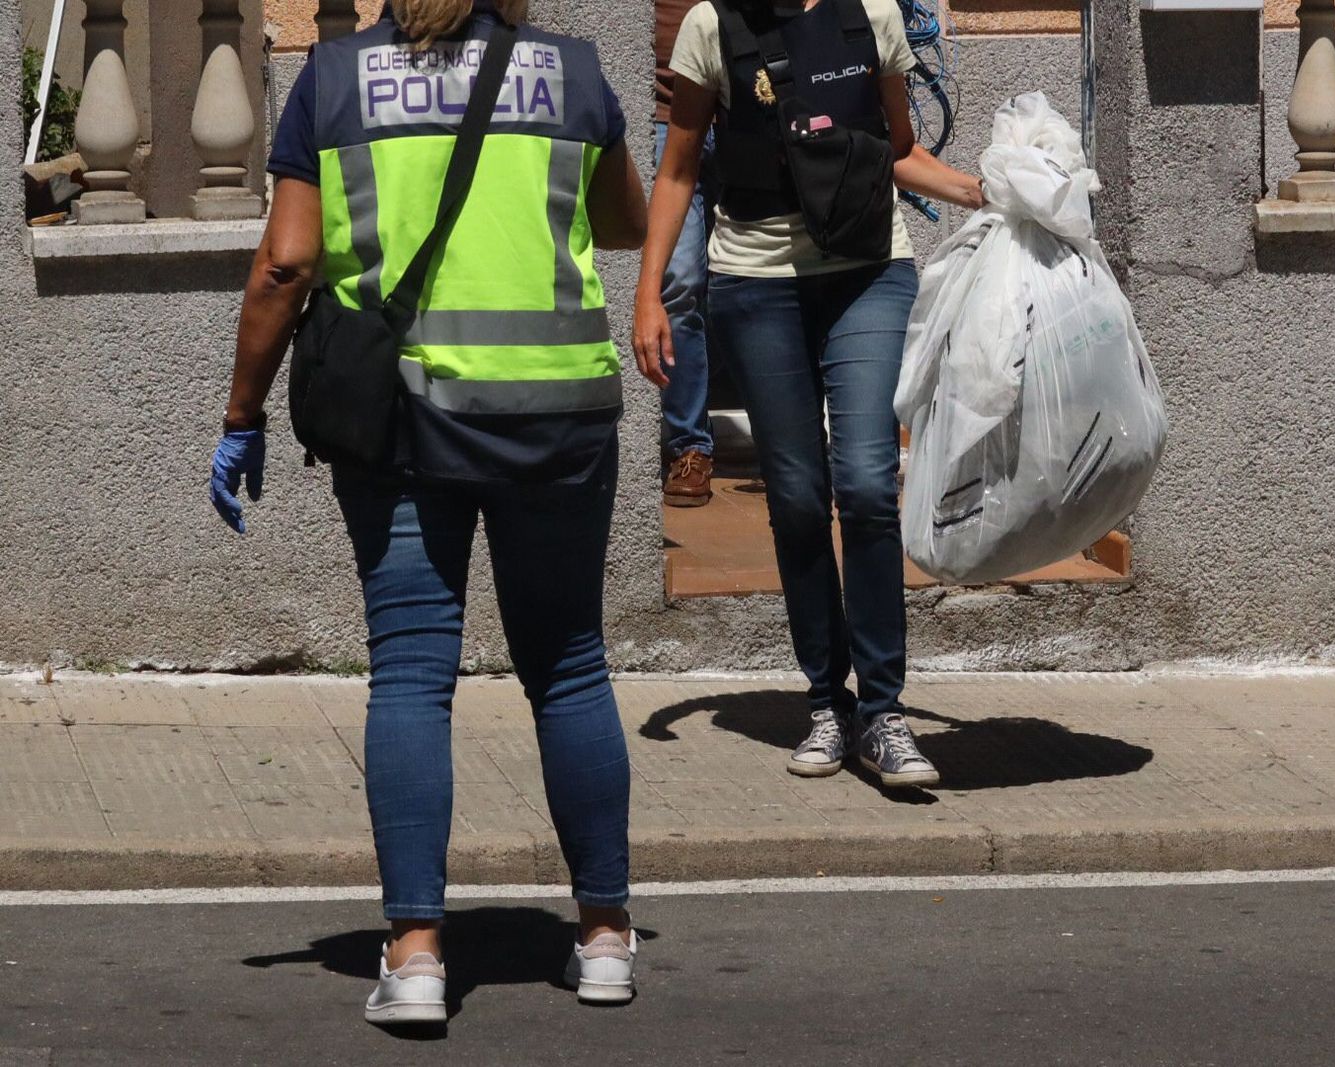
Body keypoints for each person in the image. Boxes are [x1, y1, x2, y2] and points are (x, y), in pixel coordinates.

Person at [207, 0, 648, 1025]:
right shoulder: (572, 73)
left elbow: (285, 263)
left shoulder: (334, 79)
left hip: (409, 420)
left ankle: (413, 954)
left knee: (412, 670)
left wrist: (243, 410)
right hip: (558, 414)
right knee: (570, 663)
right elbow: (622, 219)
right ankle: (604, 936)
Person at [634, 0, 985, 789]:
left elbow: (897, 148)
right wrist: (649, 292)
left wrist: (983, 193)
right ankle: (830, 703)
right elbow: (680, 169)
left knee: (864, 483)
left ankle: (885, 711)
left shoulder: (875, 16)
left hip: (869, 275)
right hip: (755, 285)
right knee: (796, 496)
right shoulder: (709, 26)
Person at [654, 0, 719, 508]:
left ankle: (803, 442)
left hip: (753, 110)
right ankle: (689, 446)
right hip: (666, 116)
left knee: (781, 273)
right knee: (678, 280)